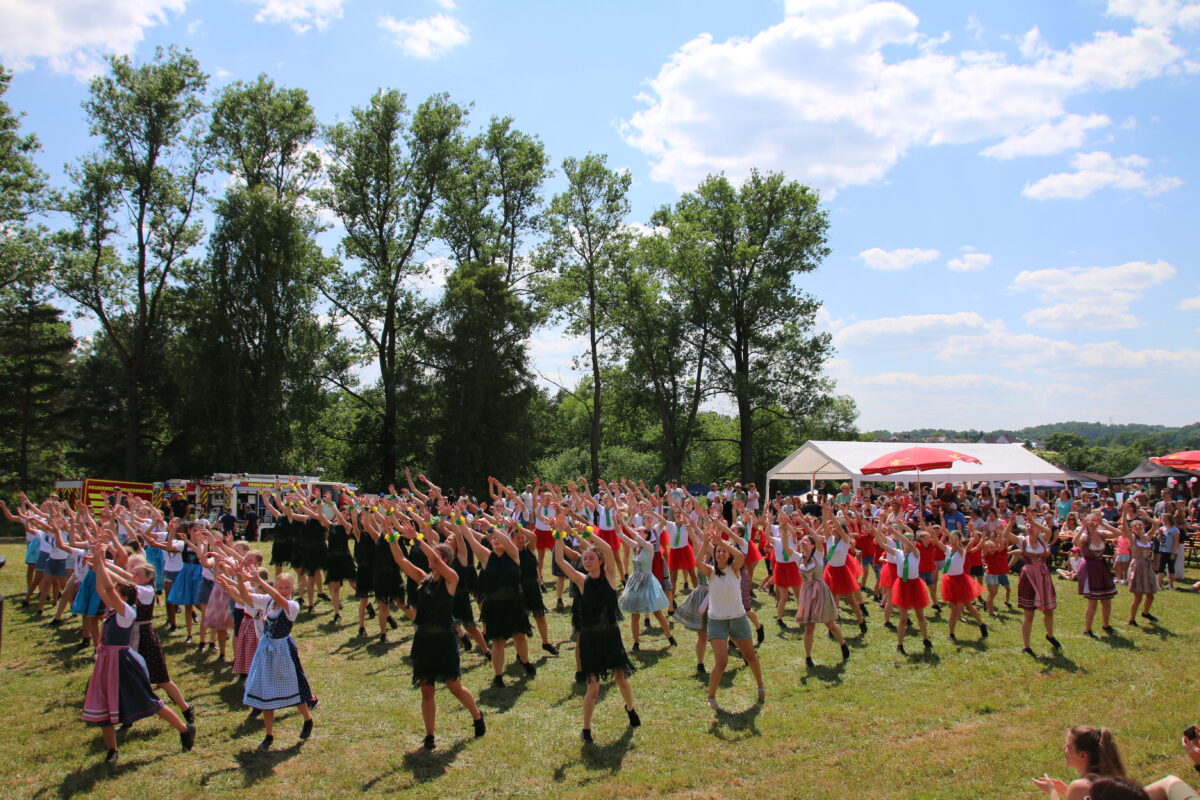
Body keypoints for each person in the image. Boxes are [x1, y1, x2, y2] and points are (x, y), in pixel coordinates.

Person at [82, 545, 195, 767]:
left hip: (123, 661)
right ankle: (112, 750)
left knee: (148, 699)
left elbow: (109, 589)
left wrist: (101, 562)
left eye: (117, 593)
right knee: (105, 702)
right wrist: (97, 567)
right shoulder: (115, 608)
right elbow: (102, 589)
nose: (112, 595)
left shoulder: (127, 612)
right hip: (107, 662)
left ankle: (184, 729)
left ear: (124, 597)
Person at [386, 524, 485, 751]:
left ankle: (477, 715)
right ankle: (430, 735)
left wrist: (418, 539)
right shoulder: (423, 579)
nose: (430, 558)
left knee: (454, 687)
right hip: (423, 641)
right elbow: (401, 560)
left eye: (435, 555)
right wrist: (391, 537)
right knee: (426, 688)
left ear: (445, 559)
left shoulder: (451, 579)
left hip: (444, 641)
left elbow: (438, 562)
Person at [553, 522, 640, 744]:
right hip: (590, 639)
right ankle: (586, 729)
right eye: (585, 559)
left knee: (621, 679)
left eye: (591, 558)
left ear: (600, 561)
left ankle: (630, 708)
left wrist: (586, 533)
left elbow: (609, 549)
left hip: (611, 636)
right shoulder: (582, 581)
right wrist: (559, 535)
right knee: (593, 687)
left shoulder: (609, 576)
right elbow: (560, 561)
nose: (587, 562)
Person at [235, 570, 316, 751]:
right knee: (266, 690)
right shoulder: (269, 601)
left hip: (283, 649)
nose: (283, 590)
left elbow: (278, 598)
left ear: (293, 588)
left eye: (287, 587)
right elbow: (245, 596)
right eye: (280, 587)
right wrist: (240, 579)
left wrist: (259, 581)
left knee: (293, 685)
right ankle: (269, 734)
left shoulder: (292, 605)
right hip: (266, 649)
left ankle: (307, 719)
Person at [696, 527, 765, 710]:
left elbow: (740, 556)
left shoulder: (735, 569)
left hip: (738, 618)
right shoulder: (710, 571)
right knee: (721, 662)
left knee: (750, 655)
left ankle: (760, 686)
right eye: (718, 552)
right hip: (717, 621)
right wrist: (705, 543)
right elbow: (697, 561)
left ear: (728, 555)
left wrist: (722, 542)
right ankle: (711, 697)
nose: (720, 554)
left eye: (723, 552)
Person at [792, 527, 849, 668]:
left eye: (806, 541)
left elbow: (817, 539)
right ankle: (808, 657)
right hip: (807, 593)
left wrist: (805, 524)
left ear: (812, 545)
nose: (803, 542)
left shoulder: (818, 554)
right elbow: (787, 548)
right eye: (803, 540)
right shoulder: (799, 557)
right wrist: (785, 528)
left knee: (830, 624)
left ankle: (843, 643)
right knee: (809, 627)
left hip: (820, 591)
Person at [1033, 725, 1128, 800]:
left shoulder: (1080, 786)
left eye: (1068, 747)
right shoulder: (1113, 783)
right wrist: (1066, 791)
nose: (1063, 748)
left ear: (1083, 755)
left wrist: (1052, 791)